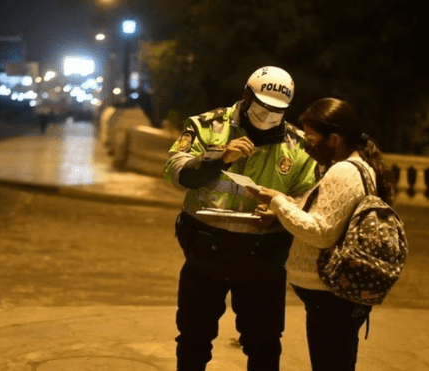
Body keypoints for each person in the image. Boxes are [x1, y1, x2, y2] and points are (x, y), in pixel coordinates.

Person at [164, 66, 317, 371]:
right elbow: (174, 171)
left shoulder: (297, 145)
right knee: (193, 338)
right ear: (246, 95)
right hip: (206, 251)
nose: (269, 115)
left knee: (264, 343)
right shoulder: (207, 127)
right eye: (263, 107)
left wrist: (279, 211)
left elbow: (309, 196)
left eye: (278, 110)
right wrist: (218, 157)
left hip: (263, 257)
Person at [248, 97, 396, 371]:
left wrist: (277, 201)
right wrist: (283, 209)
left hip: (330, 297)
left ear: (335, 139)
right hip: (335, 297)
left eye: (313, 139)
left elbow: (321, 232)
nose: (307, 145)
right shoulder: (361, 166)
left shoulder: (344, 172)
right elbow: (330, 216)